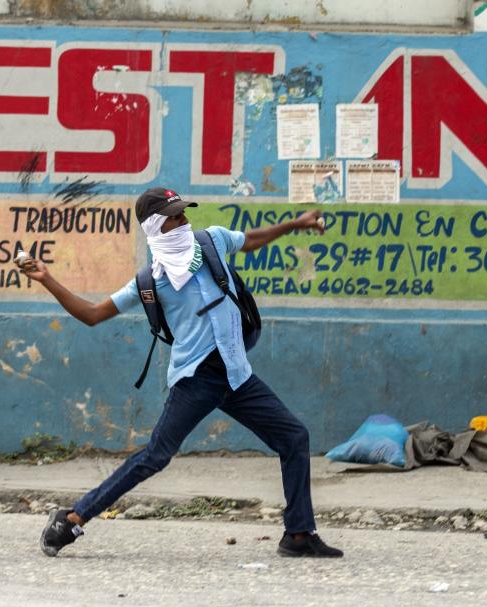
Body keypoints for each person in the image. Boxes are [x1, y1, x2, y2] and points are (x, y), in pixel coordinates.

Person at [23, 187, 344, 559]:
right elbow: (93, 314)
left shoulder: (213, 242)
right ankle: (73, 517)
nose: (183, 223)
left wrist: (296, 224)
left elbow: (252, 239)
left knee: (293, 437)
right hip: (196, 378)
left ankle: (299, 535)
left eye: (184, 215)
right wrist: (46, 278)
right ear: (156, 226)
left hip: (236, 372)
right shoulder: (150, 281)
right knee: (155, 456)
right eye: (173, 218)